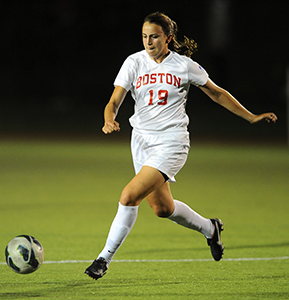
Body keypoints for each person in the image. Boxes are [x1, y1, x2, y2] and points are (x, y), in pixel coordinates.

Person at [85, 12, 277, 280]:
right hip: (141, 142)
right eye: (144, 36)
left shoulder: (184, 65)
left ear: (168, 38)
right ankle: (211, 229)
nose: (148, 42)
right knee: (162, 208)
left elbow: (217, 92)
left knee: (129, 196)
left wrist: (251, 116)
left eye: (154, 36)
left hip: (171, 143)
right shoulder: (134, 62)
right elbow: (114, 100)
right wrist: (108, 119)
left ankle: (103, 259)